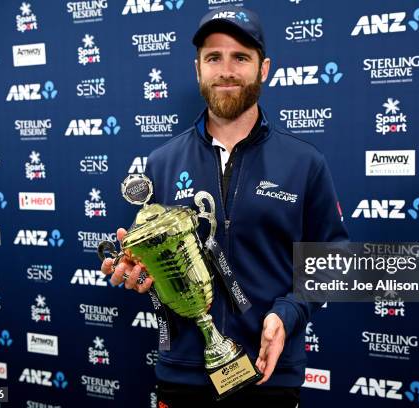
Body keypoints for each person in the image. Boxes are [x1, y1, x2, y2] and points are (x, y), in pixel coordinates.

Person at [101, 5, 348, 407]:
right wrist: (138, 270)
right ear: (197, 68)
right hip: (182, 373)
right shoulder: (160, 163)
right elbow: (149, 263)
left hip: (269, 372)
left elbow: (334, 259)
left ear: (263, 68)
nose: (226, 70)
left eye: (241, 57)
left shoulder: (305, 162)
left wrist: (287, 315)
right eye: (214, 57)